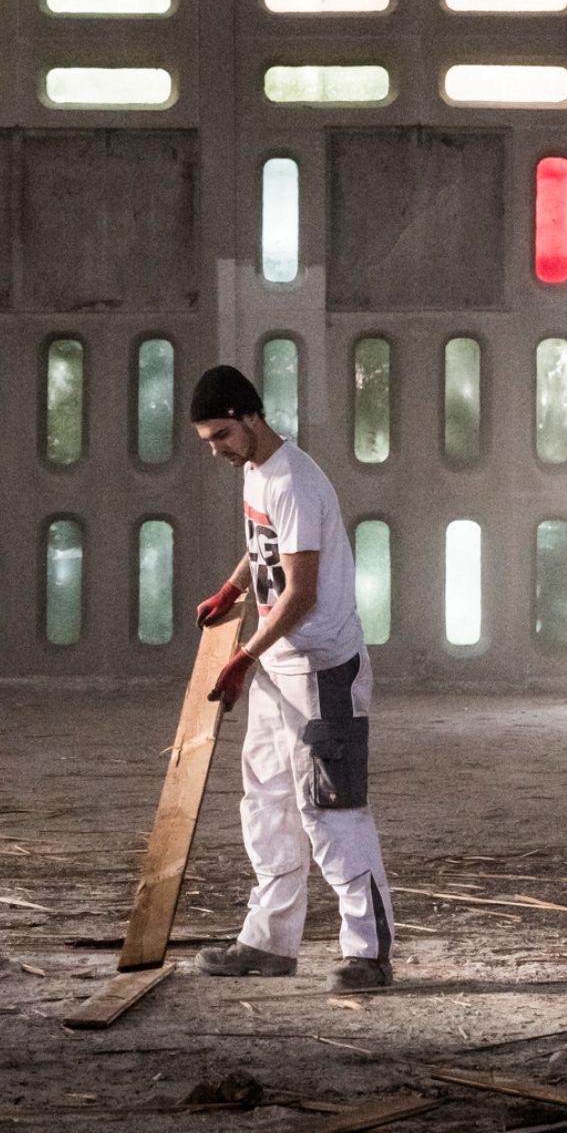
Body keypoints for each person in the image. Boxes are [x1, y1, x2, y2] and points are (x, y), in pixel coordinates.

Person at [188, 363, 394, 992]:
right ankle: (269, 942)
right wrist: (231, 588)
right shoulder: (256, 470)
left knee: (332, 810)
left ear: (251, 417)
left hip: (322, 668)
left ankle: (369, 953)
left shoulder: (297, 481)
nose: (219, 452)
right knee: (268, 801)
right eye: (210, 442)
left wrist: (244, 656)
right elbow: (264, 550)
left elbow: (301, 593)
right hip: (280, 667)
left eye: (222, 435)